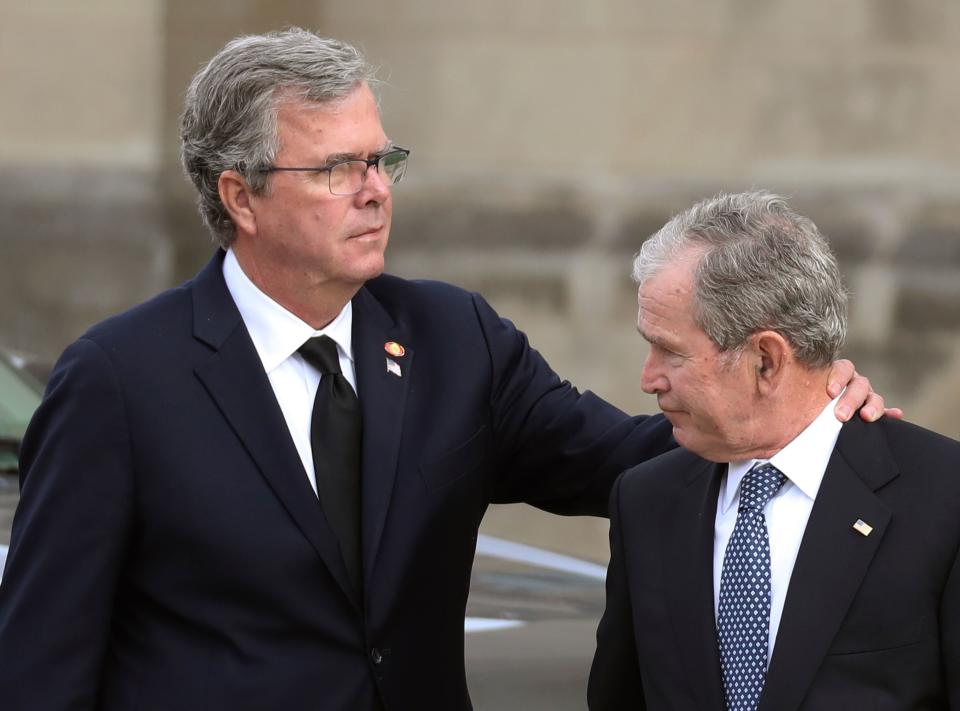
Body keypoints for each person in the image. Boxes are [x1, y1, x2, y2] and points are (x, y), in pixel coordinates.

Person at [0, 31, 884, 711]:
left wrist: (795, 407)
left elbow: (633, 459)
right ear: (241, 196)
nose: (376, 188)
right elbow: (41, 667)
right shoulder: (119, 382)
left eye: (381, 159)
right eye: (337, 168)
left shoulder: (453, 338)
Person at [588, 191, 959, 711]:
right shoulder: (646, 499)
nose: (649, 379)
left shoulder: (944, 499)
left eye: (671, 352)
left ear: (766, 359)